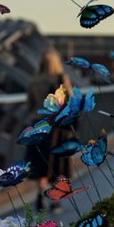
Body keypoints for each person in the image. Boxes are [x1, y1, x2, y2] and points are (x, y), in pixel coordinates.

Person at [23, 48, 72, 213]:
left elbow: (29, 105)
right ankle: (55, 201)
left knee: (39, 163)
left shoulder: (34, 81)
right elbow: (69, 102)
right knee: (56, 164)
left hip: (36, 125)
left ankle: (40, 196)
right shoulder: (60, 79)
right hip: (55, 128)